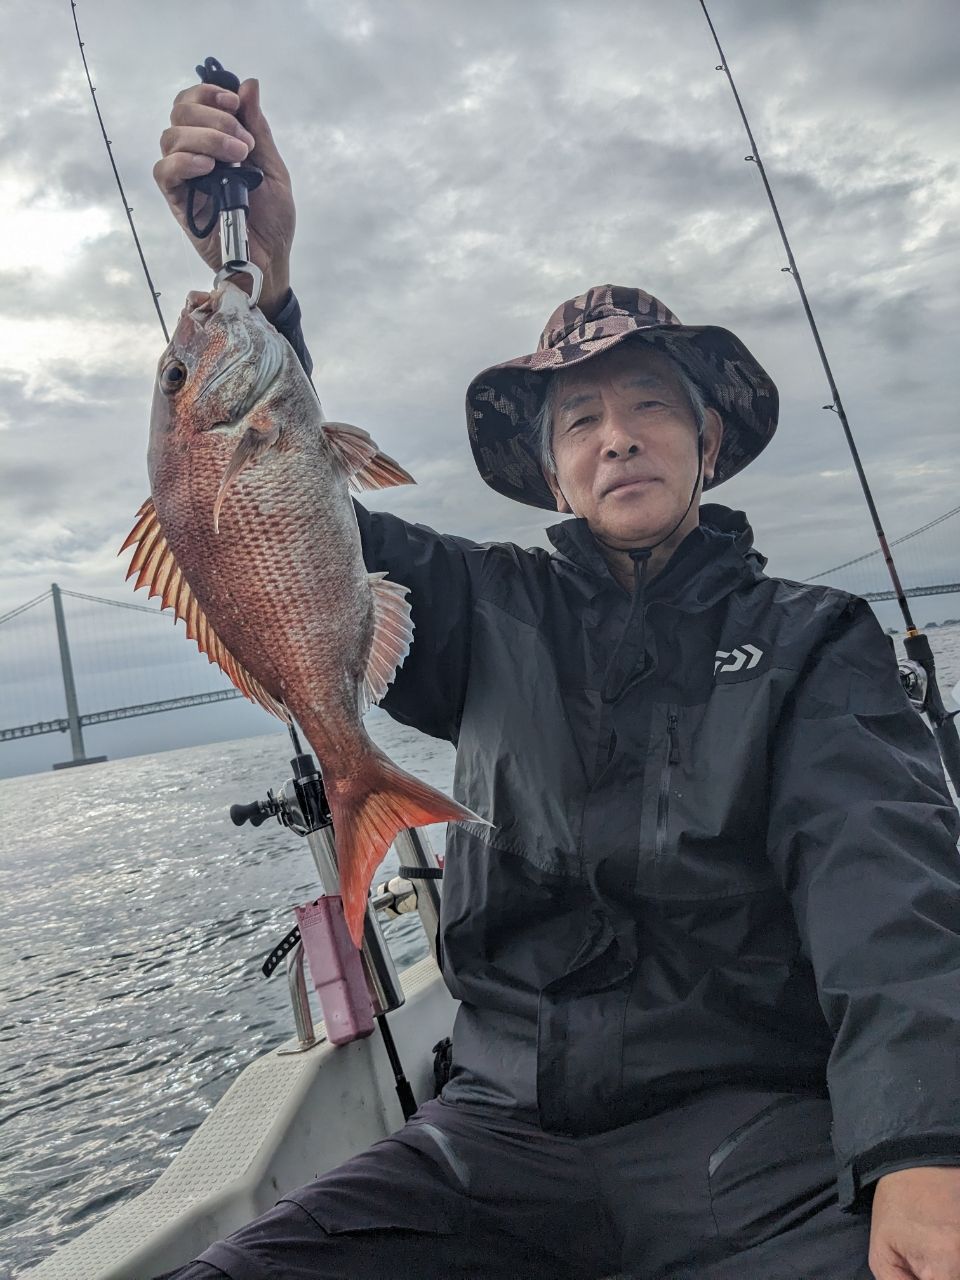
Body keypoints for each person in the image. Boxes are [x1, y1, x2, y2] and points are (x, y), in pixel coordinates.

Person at [152, 79, 960, 1280]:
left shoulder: (814, 641)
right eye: (580, 417)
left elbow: (883, 884)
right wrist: (262, 285)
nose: (617, 435)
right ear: (552, 470)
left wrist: (920, 1139)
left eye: (649, 407)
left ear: (708, 443)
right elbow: (278, 524)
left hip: (757, 1133)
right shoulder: (486, 607)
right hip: (495, 1131)